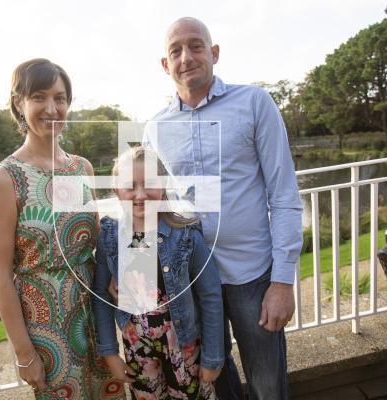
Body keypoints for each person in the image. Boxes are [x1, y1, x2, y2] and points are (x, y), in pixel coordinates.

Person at [141, 17, 304, 400]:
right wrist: (132, 269)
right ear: (166, 65)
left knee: (268, 384)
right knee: (214, 379)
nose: (187, 57)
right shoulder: (155, 128)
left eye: (196, 46)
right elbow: (147, 207)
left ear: (213, 53)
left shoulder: (254, 103)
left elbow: (284, 195)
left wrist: (282, 282)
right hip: (191, 279)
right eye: (175, 51)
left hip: (253, 277)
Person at [0, 58, 124, 399]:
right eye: (39, 97)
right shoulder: (4, 179)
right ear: (19, 103)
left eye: (60, 98)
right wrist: (24, 354)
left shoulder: (81, 168)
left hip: (95, 316)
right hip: (47, 330)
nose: (52, 108)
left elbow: (97, 242)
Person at [93, 146, 224, 399]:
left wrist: (213, 358)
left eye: (150, 184)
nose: (140, 194)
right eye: (130, 186)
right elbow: (100, 295)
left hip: (184, 349)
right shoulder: (110, 237)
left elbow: (210, 296)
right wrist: (110, 353)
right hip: (138, 353)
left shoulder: (186, 235)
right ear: (116, 190)